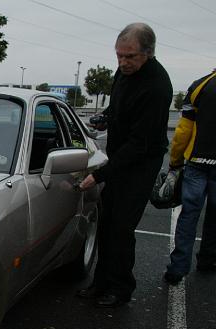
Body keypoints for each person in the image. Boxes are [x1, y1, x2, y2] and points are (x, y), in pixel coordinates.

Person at [77, 23, 173, 307]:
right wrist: (106, 117)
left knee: (121, 226)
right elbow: (119, 106)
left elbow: (139, 144)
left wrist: (100, 174)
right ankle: (101, 282)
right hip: (121, 156)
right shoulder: (123, 72)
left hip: (140, 162)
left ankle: (120, 288)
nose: (123, 62)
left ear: (149, 53)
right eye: (119, 56)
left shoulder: (156, 86)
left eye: (130, 57)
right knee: (106, 222)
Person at [164, 69, 216, 283]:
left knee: (188, 215)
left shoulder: (200, 85)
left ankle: (178, 268)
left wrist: (175, 161)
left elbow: (183, 130)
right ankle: (207, 259)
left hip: (196, 161)